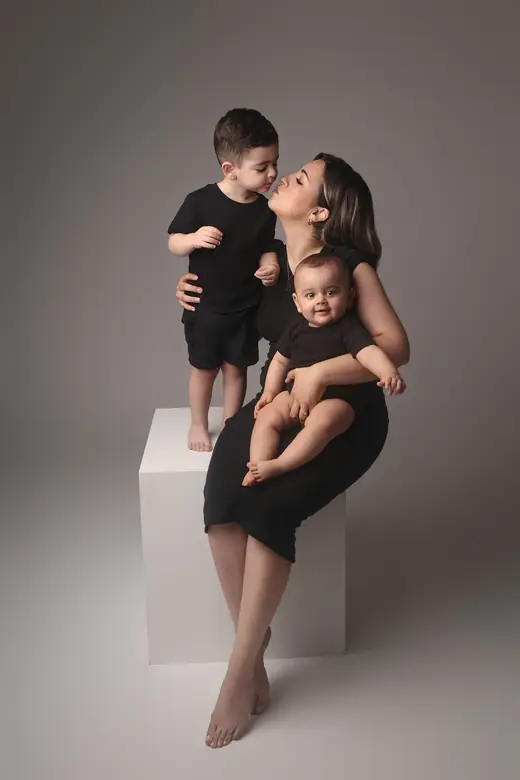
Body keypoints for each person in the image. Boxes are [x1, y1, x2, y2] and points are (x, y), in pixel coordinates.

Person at [175, 153, 410, 749]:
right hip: (273, 406)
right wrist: (188, 291)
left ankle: (237, 673)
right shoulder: (269, 263)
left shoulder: (349, 268)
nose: (287, 177)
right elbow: (225, 317)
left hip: (345, 416)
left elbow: (395, 347)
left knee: (269, 508)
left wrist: (322, 372)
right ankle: (254, 647)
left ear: (321, 211)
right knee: (222, 502)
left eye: (302, 178)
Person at [167, 108, 280, 452]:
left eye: (275, 163)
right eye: (262, 168)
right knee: (204, 369)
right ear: (230, 169)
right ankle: (198, 425)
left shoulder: (263, 210)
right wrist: (193, 238)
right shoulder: (200, 201)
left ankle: (232, 425)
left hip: (244, 306)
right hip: (206, 307)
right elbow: (173, 241)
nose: (272, 174)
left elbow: (263, 246)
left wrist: (270, 262)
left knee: (237, 369)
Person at [242, 252, 406, 486]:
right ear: (298, 303)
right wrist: (270, 393)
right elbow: (279, 361)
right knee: (267, 416)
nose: (321, 300)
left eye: (331, 292)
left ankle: (281, 464)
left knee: (322, 423)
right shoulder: (295, 329)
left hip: (338, 399)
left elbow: (368, 352)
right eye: (310, 295)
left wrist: (387, 372)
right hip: (295, 395)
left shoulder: (348, 328)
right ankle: (258, 463)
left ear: (349, 297)